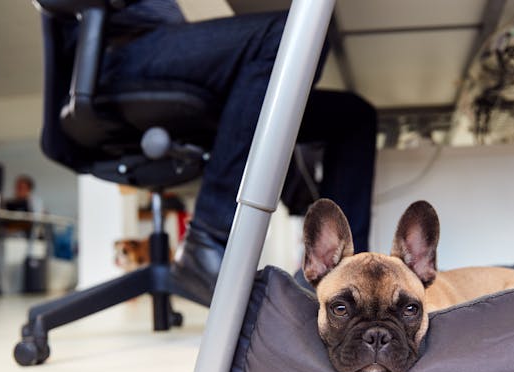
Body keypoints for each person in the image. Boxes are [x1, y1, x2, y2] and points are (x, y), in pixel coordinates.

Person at [99, 0, 377, 303]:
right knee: (294, 34)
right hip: (121, 50)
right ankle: (208, 238)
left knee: (353, 117)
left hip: (167, 46)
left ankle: (345, 274)